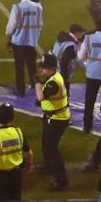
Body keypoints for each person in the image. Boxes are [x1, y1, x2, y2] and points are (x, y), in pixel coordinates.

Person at [36, 50, 71, 189]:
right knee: (45, 144)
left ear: (50, 68)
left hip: (58, 119)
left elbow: (41, 97)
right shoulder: (55, 77)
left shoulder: (54, 82)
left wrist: (37, 84)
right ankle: (48, 166)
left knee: (51, 149)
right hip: (51, 116)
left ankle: (62, 181)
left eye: (43, 67)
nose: (41, 69)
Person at [6, 0, 44, 95]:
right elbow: (40, 24)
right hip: (32, 41)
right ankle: (35, 87)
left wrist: (8, 40)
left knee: (19, 67)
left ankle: (21, 90)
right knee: (32, 66)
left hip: (19, 42)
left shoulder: (17, 8)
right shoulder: (38, 6)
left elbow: (11, 27)